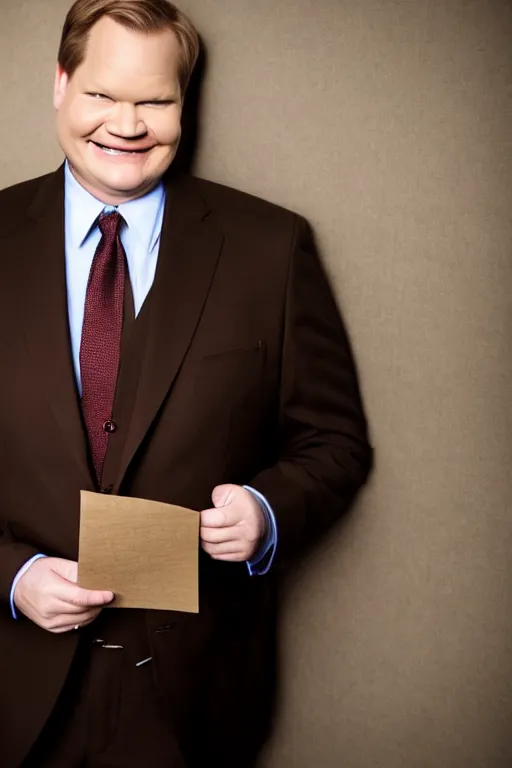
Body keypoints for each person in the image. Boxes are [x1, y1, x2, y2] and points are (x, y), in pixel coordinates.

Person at [0, 1, 372, 766]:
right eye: (102, 94)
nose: (126, 124)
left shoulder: (271, 247)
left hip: (192, 700)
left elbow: (334, 443)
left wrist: (266, 512)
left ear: (185, 103)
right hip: (10, 684)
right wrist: (12, 576)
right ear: (60, 84)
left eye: (155, 100)